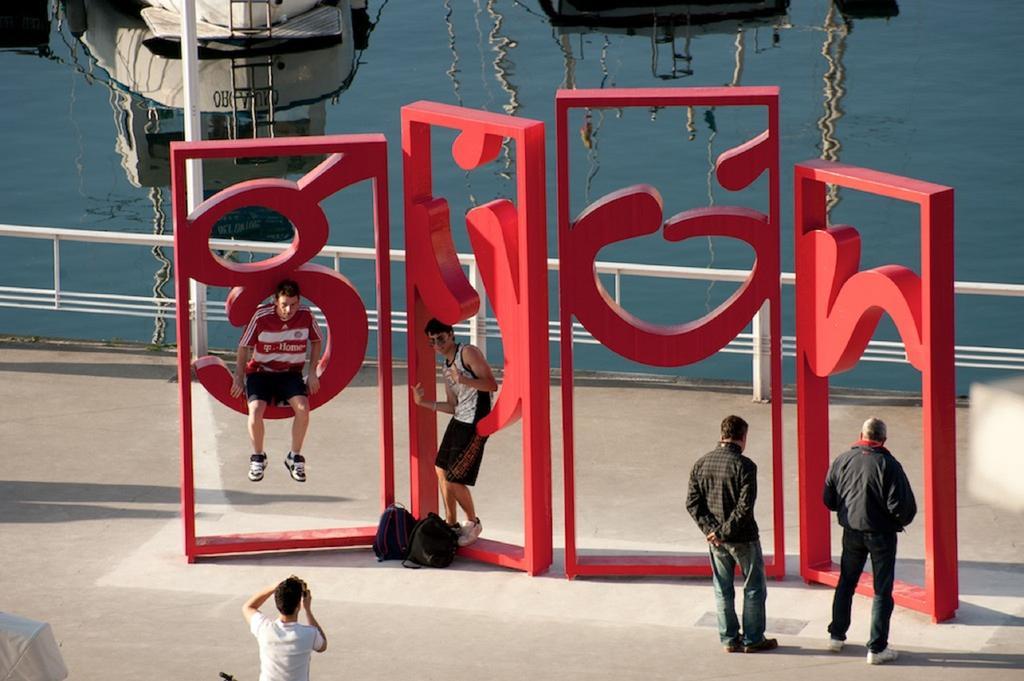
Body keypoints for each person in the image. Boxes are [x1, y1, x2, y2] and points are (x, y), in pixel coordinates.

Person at [824, 417, 917, 665]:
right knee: (881, 591)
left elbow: (828, 498)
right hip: (881, 535)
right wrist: (897, 520)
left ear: (861, 434)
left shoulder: (843, 460)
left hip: (851, 532)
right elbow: (902, 507)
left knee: (846, 582)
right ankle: (877, 648)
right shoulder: (889, 465)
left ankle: (836, 635)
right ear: (883, 439)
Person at [686, 415, 777, 654]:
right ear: (743, 437)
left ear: (722, 434)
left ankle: (728, 639)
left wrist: (711, 531)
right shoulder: (746, 466)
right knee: (754, 587)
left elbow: (693, 503)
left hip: (715, 541)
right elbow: (744, 508)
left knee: (722, 588)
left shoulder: (701, 463)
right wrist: (724, 531)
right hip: (743, 538)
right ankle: (753, 639)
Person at [411, 318, 498, 547]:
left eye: (440, 338)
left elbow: (491, 384)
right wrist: (424, 403)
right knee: (441, 469)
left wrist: (463, 379)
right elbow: (453, 405)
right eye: (432, 342)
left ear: (451, 334)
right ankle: (451, 523)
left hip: (475, 422)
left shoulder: (467, 353)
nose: (437, 345)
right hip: (460, 419)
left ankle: (472, 522)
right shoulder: (445, 367)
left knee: (455, 477)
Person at [231, 279, 322, 483]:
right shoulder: (261, 316)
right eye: (284, 305)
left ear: (299, 302)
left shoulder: (306, 315)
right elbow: (244, 346)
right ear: (275, 301)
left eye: (293, 304)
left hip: (290, 374)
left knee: (303, 407)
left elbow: (316, 341)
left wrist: (313, 371)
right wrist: (238, 377)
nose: (289, 310)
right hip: (260, 372)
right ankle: (258, 457)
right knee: (255, 409)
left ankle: (295, 456)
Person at [242, 575, 327, 681]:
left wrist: (275, 586)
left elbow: (248, 607)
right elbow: (322, 646)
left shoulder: (263, 628)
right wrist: (308, 610)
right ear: (299, 606)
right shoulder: (310, 634)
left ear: (277, 603)